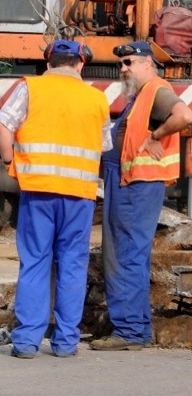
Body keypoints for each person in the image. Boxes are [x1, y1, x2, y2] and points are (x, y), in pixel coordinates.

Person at [0, 39, 112, 358]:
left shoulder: (31, 88)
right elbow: (103, 146)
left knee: (35, 261)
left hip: (39, 190)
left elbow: (3, 125)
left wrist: (9, 162)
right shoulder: (97, 99)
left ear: (48, 63)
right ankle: (65, 342)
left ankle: (27, 341)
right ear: (81, 64)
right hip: (80, 196)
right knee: (73, 263)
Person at [90, 41, 192, 351]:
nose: (123, 69)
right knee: (126, 255)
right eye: (121, 64)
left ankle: (130, 331)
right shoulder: (140, 97)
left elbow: (183, 116)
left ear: (148, 63)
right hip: (128, 184)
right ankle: (136, 328)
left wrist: (156, 136)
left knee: (125, 256)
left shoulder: (156, 91)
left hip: (136, 188)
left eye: (129, 63)